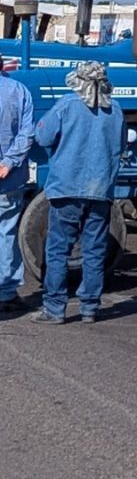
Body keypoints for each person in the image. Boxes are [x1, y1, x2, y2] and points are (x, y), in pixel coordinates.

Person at [31, 62, 126, 324]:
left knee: (58, 249)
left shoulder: (67, 105)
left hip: (66, 187)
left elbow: (43, 136)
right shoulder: (115, 109)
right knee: (95, 250)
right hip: (101, 190)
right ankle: (89, 308)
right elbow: (120, 146)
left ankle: (54, 308)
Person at [0, 63, 34, 313]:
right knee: (7, 232)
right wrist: (8, 162)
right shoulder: (19, 90)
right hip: (8, 178)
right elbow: (26, 132)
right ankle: (7, 293)